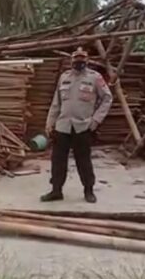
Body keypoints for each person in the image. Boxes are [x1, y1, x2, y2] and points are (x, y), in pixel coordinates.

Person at [42, 47, 113, 204]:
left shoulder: (95, 78)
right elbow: (56, 102)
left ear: (87, 60)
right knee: (58, 160)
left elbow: (107, 98)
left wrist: (96, 120)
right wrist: (50, 122)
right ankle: (56, 190)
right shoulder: (64, 77)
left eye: (82, 58)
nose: (79, 61)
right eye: (76, 58)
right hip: (63, 126)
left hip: (83, 126)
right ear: (71, 60)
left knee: (84, 161)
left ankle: (88, 190)